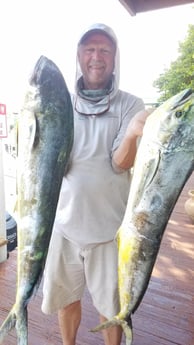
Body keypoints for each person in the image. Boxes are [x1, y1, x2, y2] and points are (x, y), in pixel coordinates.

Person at [41, 23, 150, 345]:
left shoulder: (131, 105)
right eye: (89, 49)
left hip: (111, 230)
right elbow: (52, 164)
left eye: (104, 50)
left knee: (112, 308)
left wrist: (132, 133)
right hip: (63, 224)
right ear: (78, 56)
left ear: (115, 58)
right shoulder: (60, 102)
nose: (96, 57)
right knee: (66, 300)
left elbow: (120, 164)